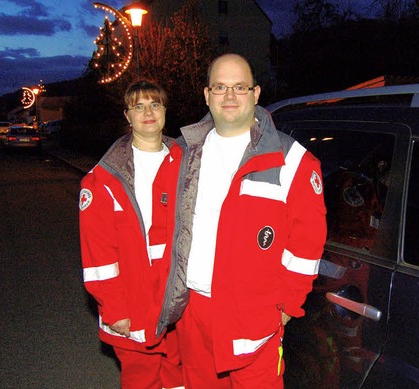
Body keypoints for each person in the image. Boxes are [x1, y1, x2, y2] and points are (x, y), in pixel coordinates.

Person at [173, 53, 327, 388]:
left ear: (256, 94)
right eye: (220, 87)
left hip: (253, 319)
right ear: (206, 95)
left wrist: (286, 306)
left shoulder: (292, 161)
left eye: (239, 87)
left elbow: (307, 245)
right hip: (192, 311)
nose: (229, 96)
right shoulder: (183, 153)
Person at [79, 79, 183, 389]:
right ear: (127, 116)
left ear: (165, 110)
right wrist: (114, 308)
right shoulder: (103, 179)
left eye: (155, 104)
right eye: (138, 106)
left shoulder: (188, 161)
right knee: (141, 378)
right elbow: (98, 254)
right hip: (134, 300)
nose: (148, 112)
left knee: (179, 376)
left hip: (179, 298)